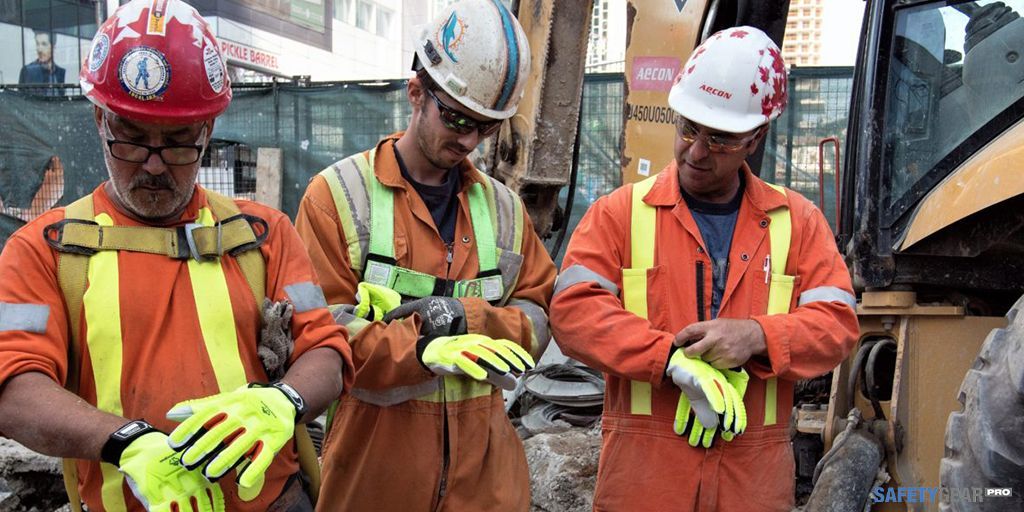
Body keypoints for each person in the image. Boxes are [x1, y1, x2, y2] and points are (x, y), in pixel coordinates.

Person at [0, 1, 352, 511]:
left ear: (207, 130)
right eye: (133, 138)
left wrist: (283, 400)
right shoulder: (43, 251)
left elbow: (326, 351)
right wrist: (125, 442)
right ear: (101, 121)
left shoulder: (264, 234)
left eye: (179, 142)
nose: (155, 165)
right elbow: (14, 388)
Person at [549, 26, 859, 511]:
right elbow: (572, 313)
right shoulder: (619, 214)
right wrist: (666, 359)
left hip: (751, 483)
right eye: (688, 128)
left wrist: (757, 337)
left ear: (755, 138)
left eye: (720, 139)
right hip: (646, 479)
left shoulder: (797, 222)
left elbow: (838, 325)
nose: (695, 151)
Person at [294, 1, 556, 509]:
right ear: (415, 92)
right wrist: (421, 345)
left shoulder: (503, 209)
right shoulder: (338, 198)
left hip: (486, 486)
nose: (469, 140)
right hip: (375, 481)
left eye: (485, 126)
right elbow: (317, 333)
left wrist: (468, 318)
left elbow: (539, 313)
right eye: (457, 118)